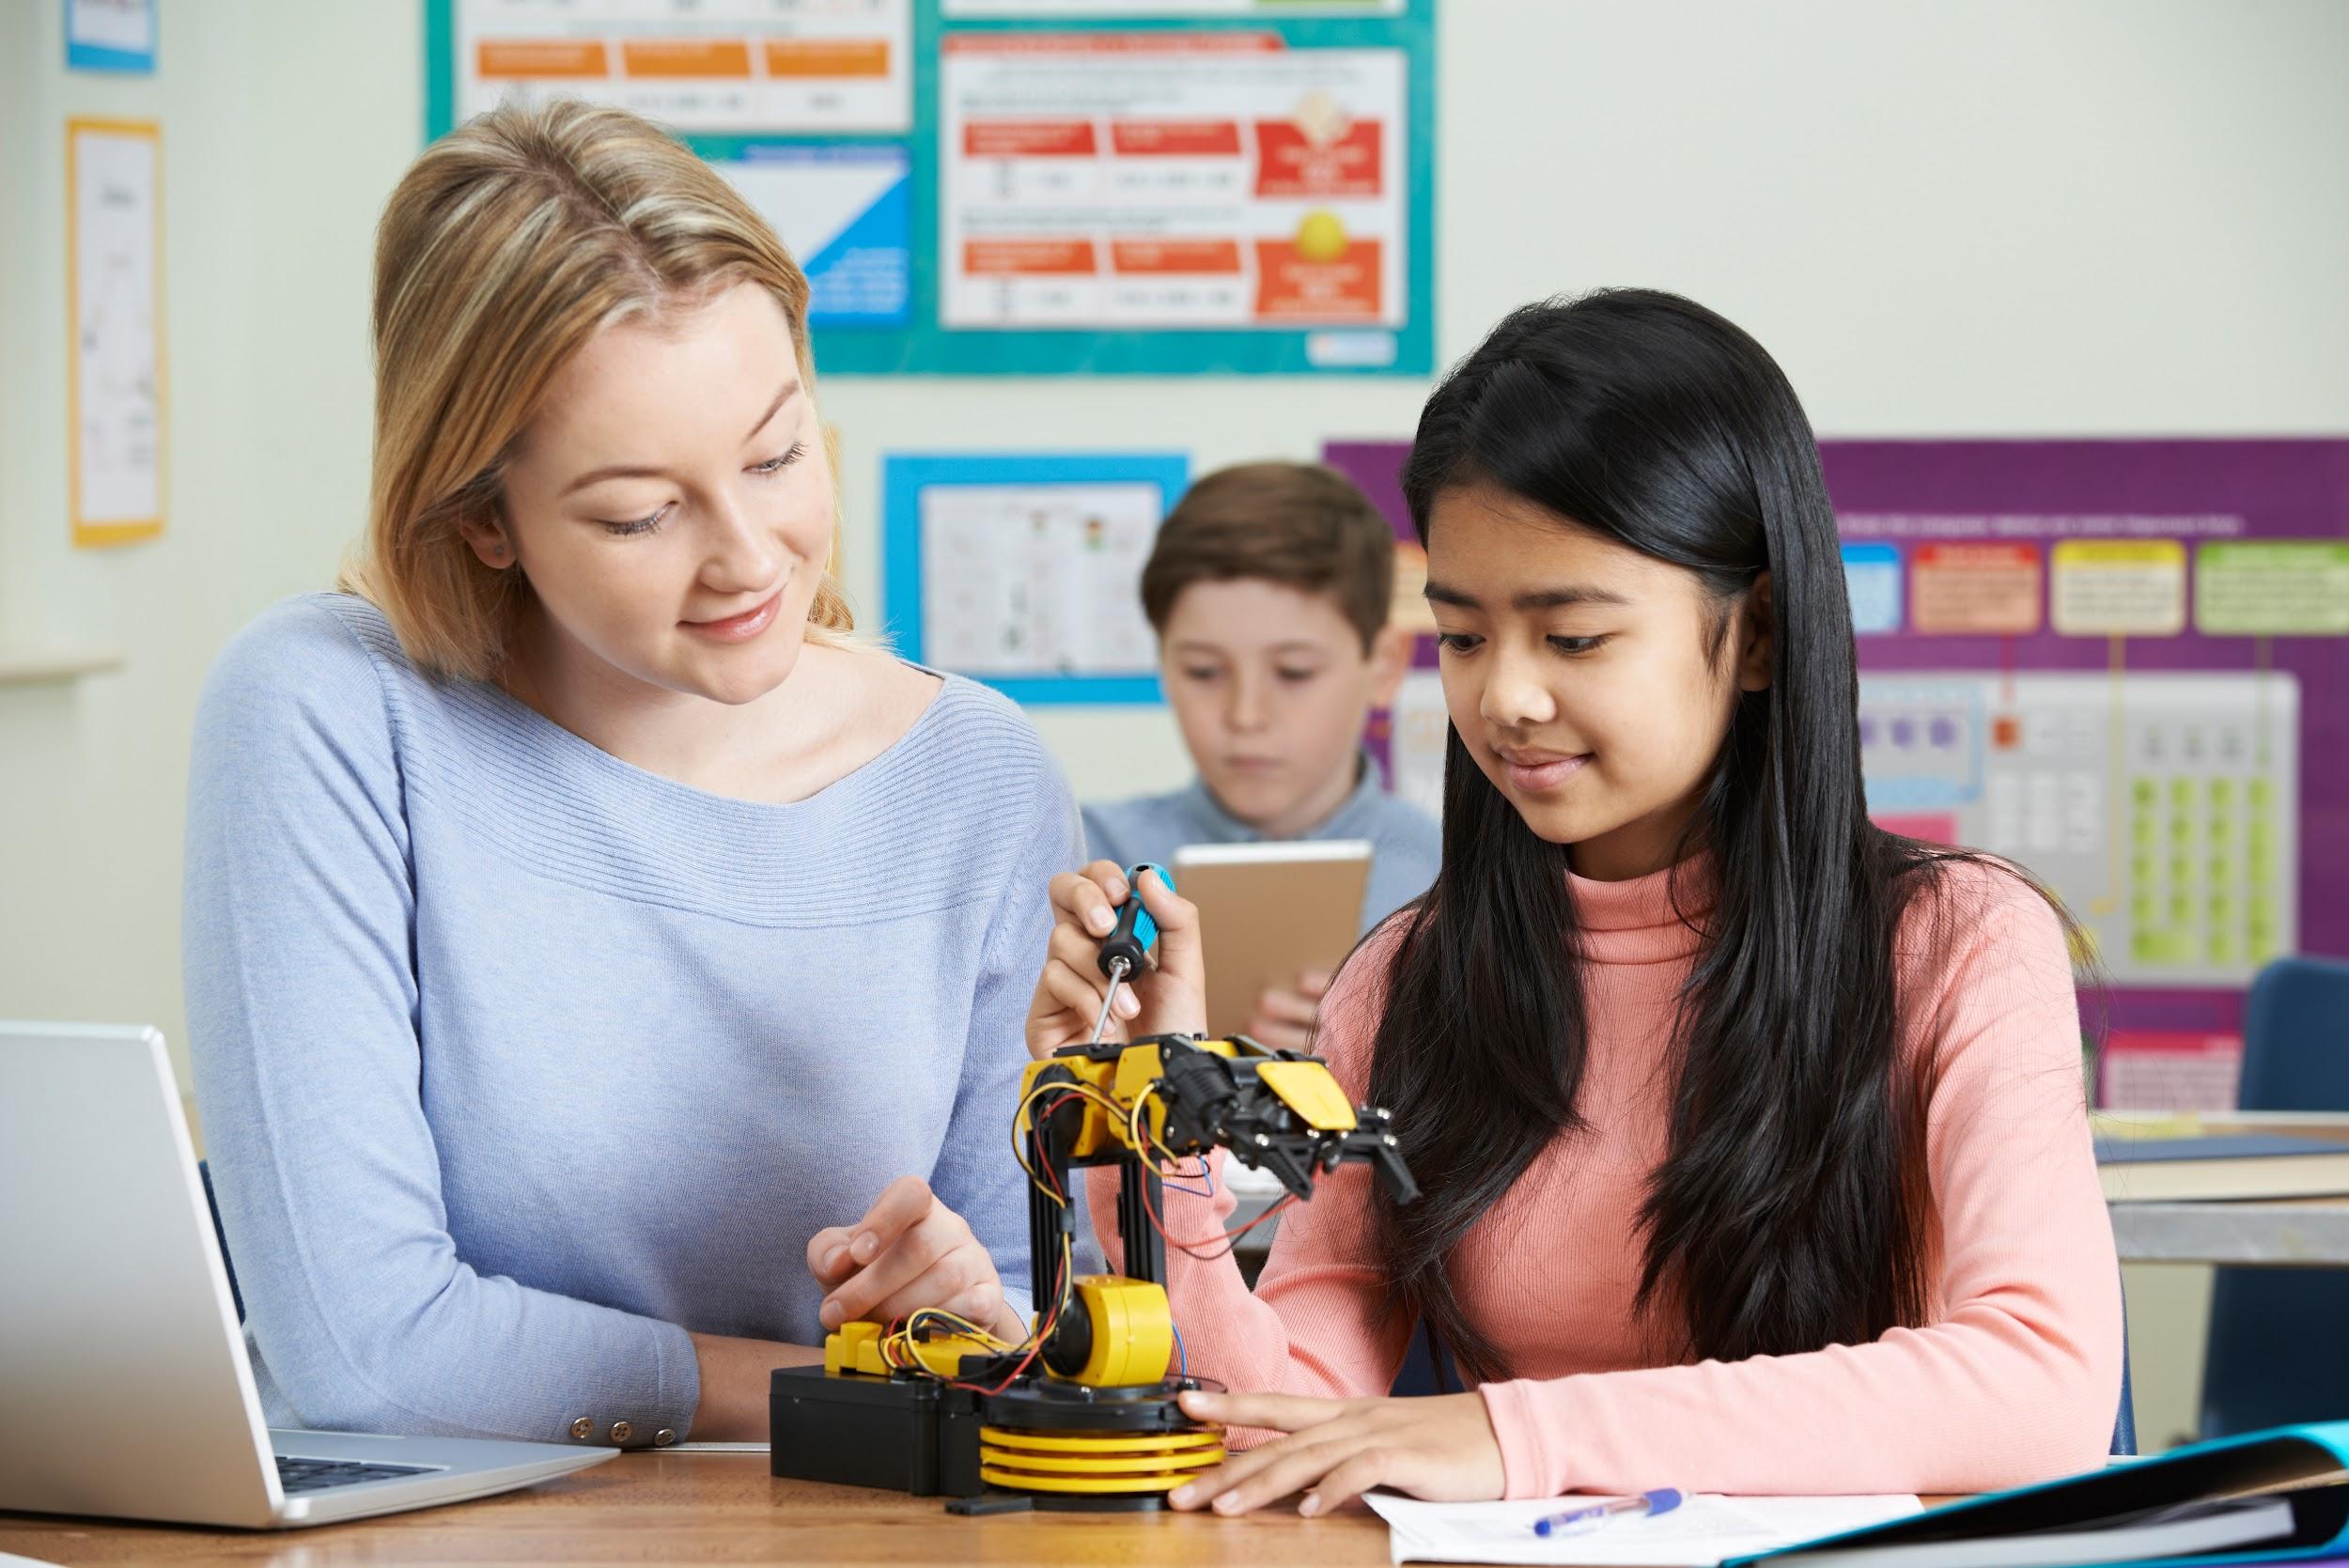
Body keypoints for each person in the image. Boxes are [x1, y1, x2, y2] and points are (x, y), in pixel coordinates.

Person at [1024, 290, 2123, 1511]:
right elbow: (1269, 1428)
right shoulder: (1411, 981)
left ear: (1757, 635)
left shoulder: (1958, 943)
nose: (1506, 699)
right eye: (1465, 637)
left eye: (1576, 638)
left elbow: (2042, 1386)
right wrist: (1151, 1116)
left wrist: (1510, 1437)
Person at [185, 101, 1073, 1448]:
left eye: (777, 454)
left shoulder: (980, 779)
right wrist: (821, 1385)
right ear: (482, 516)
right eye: (641, 512)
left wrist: (969, 1315)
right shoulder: (331, 709)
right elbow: (360, 1347)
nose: (749, 558)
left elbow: (1023, 1338)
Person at [1081, 461, 1437, 1049]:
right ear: (1163, 664)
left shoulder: (1450, 882)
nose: (1246, 715)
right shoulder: (1090, 862)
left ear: (1386, 665)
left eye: (1294, 672)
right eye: (1204, 671)